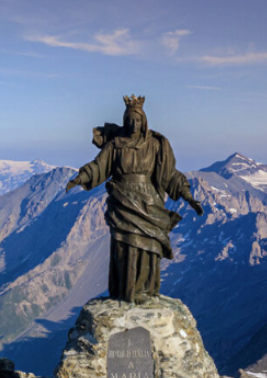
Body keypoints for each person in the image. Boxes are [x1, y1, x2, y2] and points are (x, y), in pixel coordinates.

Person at [66, 95, 203, 303]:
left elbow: (169, 174)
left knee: (148, 246)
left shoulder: (156, 145)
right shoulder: (115, 145)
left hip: (149, 202)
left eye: (137, 120)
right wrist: (79, 178)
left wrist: (189, 197)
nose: (133, 123)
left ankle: (144, 290)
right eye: (129, 119)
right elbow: (99, 166)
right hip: (122, 199)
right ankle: (124, 290)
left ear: (144, 121)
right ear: (124, 120)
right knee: (124, 245)